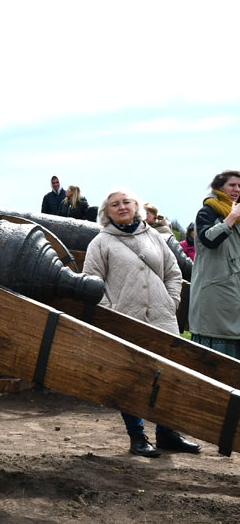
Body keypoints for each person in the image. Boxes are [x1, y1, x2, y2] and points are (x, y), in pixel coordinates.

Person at [83, 187, 200, 457]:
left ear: (136, 206)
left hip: (162, 317)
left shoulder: (155, 238)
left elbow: (172, 273)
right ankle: (137, 436)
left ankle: (167, 433)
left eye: (127, 202)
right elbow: (91, 284)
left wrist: (172, 302)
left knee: (169, 376)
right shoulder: (100, 243)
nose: (122, 207)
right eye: (115, 204)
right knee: (131, 379)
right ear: (106, 212)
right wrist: (111, 313)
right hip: (127, 320)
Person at [188, 170, 240, 358]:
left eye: (239, 186)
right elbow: (209, 240)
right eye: (232, 185)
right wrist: (231, 218)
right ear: (219, 187)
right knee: (216, 354)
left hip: (234, 291)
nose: (237, 189)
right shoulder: (208, 211)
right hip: (215, 292)